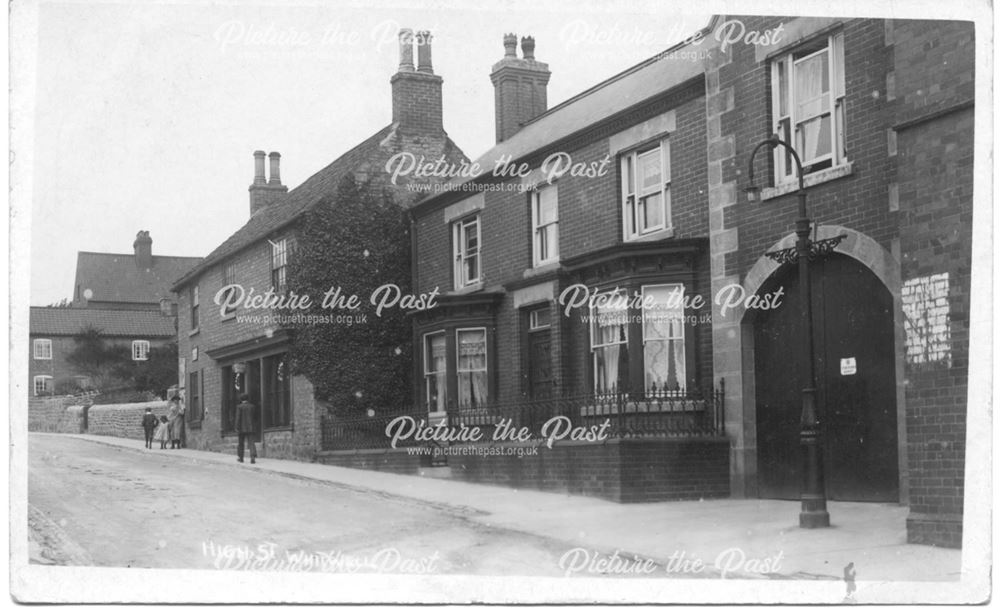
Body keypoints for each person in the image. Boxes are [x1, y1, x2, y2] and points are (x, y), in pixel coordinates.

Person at [235, 393, 257, 464]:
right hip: (251, 427)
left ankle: (241, 458)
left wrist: (236, 427)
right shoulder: (252, 406)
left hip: (241, 428)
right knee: (251, 442)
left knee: (241, 443)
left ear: (241, 399)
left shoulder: (239, 407)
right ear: (247, 399)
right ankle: (252, 457)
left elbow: (238, 418)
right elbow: (255, 417)